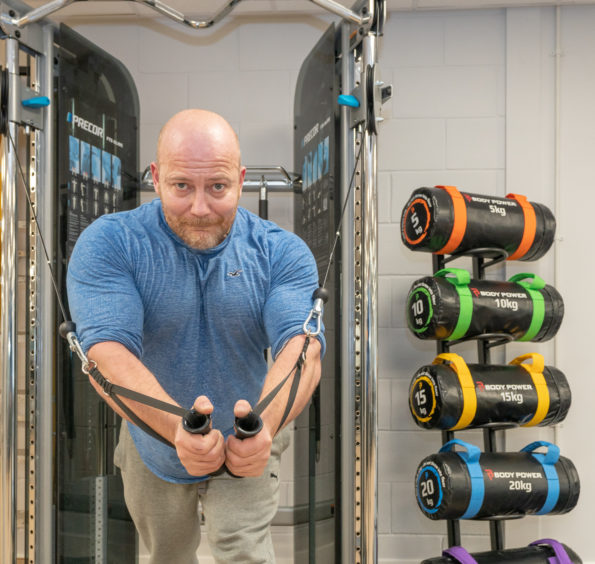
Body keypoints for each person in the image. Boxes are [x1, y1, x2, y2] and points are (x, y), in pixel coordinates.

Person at [67, 109, 324, 564]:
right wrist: (177, 428)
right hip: (151, 442)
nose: (200, 208)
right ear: (156, 175)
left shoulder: (280, 251)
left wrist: (264, 425)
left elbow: (301, 347)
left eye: (218, 187)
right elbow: (106, 352)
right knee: (166, 557)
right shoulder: (111, 243)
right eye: (182, 186)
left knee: (242, 551)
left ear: (240, 180)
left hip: (248, 435)